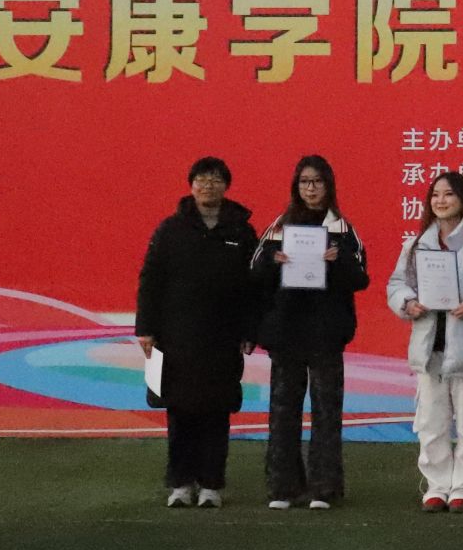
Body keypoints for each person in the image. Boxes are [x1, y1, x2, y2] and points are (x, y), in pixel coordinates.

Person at [135, 157, 259, 508]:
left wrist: (250, 329)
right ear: (191, 185)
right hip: (175, 337)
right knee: (179, 411)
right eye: (202, 180)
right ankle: (180, 483)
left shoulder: (241, 231)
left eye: (216, 180)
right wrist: (146, 328)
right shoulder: (170, 229)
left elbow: (253, 287)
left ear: (226, 186)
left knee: (217, 412)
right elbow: (150, 280)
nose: (208, 186)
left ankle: (211, 485)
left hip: (223, 337)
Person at [386, 172, 463, 512]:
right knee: (431, 423)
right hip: (431, 351)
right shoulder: (416, 246)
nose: (440, 201)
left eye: (449, 194)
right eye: (435, 195)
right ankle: (437, 486)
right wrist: (408, 303)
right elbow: (396, 284)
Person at [250, 155, 369, 510]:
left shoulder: (343, 229)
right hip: (286, 333)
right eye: (305, 182)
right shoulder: (278, 227)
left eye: (317, 182)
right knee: (282, 411)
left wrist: (338, 261)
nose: (311, 188)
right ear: (296, 187)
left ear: (328, 186)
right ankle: (283, 488)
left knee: (326, 412)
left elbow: (360, 279)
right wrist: (273, 262)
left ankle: (324, 489)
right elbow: (254, 274)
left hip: (325, 333)